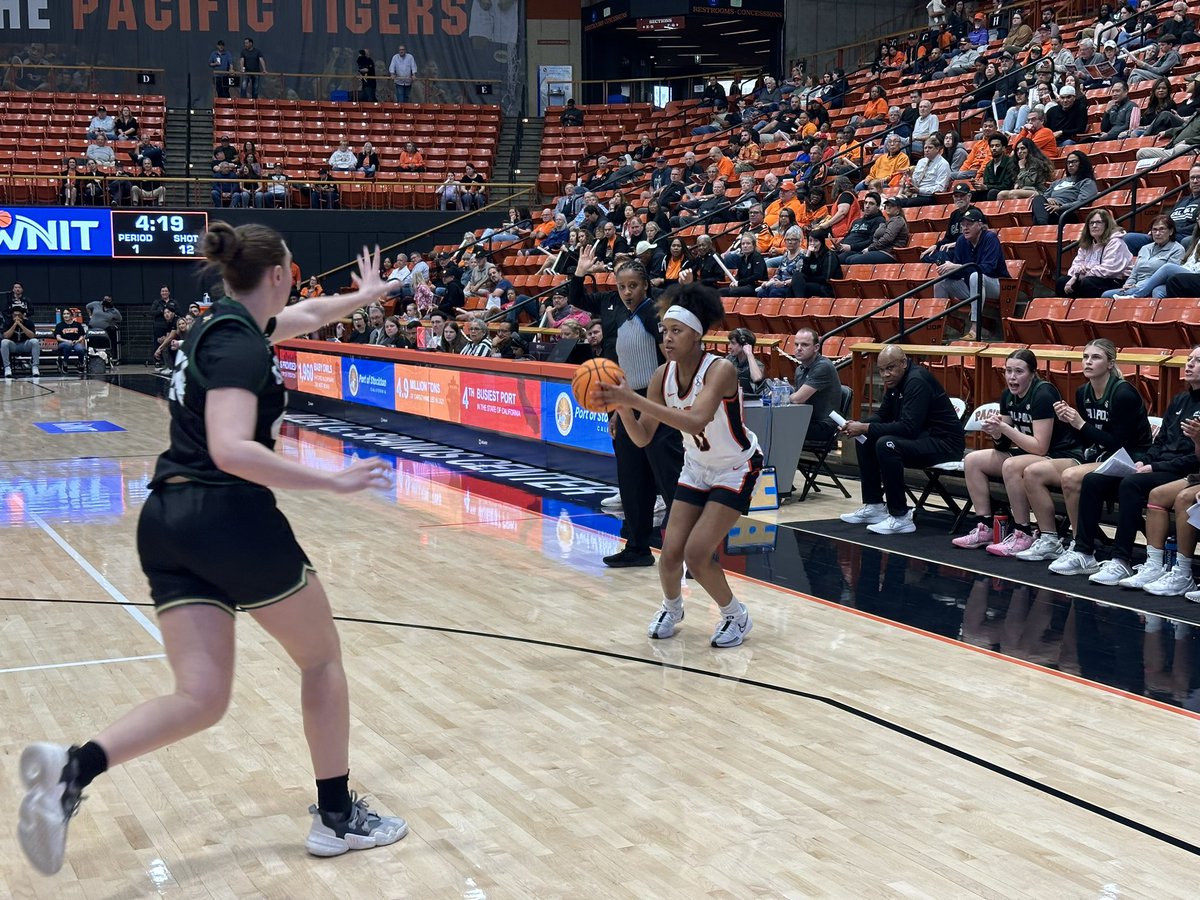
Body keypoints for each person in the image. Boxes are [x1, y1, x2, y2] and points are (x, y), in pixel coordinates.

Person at [16, 229, 408, 876]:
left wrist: (359, 298)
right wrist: (332, 480)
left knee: (201, 696)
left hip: (167, 518)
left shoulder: (222, 325)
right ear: (280, 273)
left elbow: (306, 316)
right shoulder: (237, 345)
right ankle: (338, 819)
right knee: (321, 659)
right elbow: (231, 449)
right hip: (226, 516)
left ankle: (73, 769)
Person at [595, 279, 761, 648]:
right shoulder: (661, 375)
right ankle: (673, 607)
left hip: (735, 467)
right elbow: (642, 438)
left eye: (676, 331)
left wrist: (632, 400)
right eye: (664, 331)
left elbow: (694, 421)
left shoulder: (721, 370)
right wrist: (622, 405)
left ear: (697, 336)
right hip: (697, 466)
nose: (667, 339)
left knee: (697, 553)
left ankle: (736, 614)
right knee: (669, 554)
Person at [571, 245, 684, 567]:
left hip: (657, 402)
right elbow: (576, 297)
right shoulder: (609, 306)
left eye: (633, 285)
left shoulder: (659, 308)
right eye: (622, 286)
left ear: (645, 285)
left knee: (670, 481)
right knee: (632, 481)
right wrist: (580, 273)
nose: (627, 292)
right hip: (624, 403)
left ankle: (686, 553)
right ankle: (637, 547)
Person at [1049, 345, 1200, 585]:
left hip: (1183, 471)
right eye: (1189, 359)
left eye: (1197, 360)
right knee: (1093, 480)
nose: (1189, 364)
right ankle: (1084, 551)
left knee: (1131, 484)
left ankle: (1122, 560)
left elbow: (1193, 457)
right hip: (1153, 463)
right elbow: (1159, 441)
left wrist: (1153, 466)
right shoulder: (1180, 400)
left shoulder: (1123, 393)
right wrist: (1147, 461)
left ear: (1110, 363)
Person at [1011, 340, 1154, 562]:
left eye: (1095, 357)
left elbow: (1121, 445)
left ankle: (1082, 548)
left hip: (1131, 459)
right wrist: (1068, 422)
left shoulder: (1123, 393)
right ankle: (1050, 540)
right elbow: (1086, 438)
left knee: (1071, 476)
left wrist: (1080, 424)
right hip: (1098, 456)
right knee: (1032, 472)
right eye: (1085, 357)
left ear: (1110, 363)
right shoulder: (1082, 392)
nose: (1088, 362)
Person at [951, 348, 1080, 553]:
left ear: (1032, 373)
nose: (1012, 376)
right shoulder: (1007, 396)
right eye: (1008, 371)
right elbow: (1003, 445)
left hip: (1059, 454)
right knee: (973, 459)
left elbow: (1041, 447)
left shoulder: (1043, 394)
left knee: (1011, 465)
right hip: (1032, 453)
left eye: (1019, 371)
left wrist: (1005, 429)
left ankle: (1023, 532)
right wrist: (996, 433)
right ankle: (984, 526)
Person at [838, 346, 964, 534]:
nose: (885, 374)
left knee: (886, 445)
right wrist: (857, 425)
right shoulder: (896, 382)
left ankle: (900, 516)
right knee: (864, 439)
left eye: (890, 368)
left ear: (903, 363)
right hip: (924, 438)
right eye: (881, 370)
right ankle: (875, 506)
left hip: (945, 444)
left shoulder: (917, 381)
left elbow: (908, 428)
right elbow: (882, 415)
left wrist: (865, 427)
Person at [933, 208, 1007, 340]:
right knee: (941, 282)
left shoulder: (990, 238)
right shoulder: (962, 240)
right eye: (963, 225)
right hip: (972, 285)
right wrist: (949, 270)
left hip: (995, 285)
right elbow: (959, 271)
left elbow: (988, 268)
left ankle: (975, 328)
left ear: (980, 225)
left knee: (975, 276)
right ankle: (940, 327)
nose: (965, 228)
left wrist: (958, 267)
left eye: (969, 224)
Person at [1057, 209, 1132, 298]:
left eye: (1098, 222)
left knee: (1088, 283)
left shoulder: (1116, 242)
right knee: (1062, 282)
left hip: (1116, 281)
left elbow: (1108, 270)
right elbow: (1074, 266)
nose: (1094, 226)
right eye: (1091, 223)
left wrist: (1077, 276)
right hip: (1090, 277)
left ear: (1107, 225)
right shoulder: (1087, 243)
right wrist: (1077, 272)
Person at [789, 327, 842, 445]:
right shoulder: (800, 369)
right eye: (796, 344)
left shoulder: (823, 367)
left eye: (804, 345)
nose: (798, 349)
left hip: (824, 425)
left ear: (816, 348)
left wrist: (786, 395)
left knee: (782, 428)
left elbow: (798, 399)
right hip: (807, 420)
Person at [1108, 216, 1185, 297]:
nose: (1157, 233)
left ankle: (1134, 296)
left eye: (1162, 229)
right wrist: (1128, 284)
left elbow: (1168, 277)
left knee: (1153, 292)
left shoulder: (1177, 249)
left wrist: (1138, 287)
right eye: (1154, 230)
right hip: (1135, 286)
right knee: (1106, 295)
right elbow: (1134, 273)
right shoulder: (1144, 248)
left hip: (1156, 285)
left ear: (1171, 231)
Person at [1032, 150, 1098, 226]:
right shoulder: (1058, 182)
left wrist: (1060, 207)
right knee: (1038, 198)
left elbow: (1083, 202)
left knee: (1039, 214)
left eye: (1074, 162)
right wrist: (1048, 199)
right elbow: (1044, 197)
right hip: (1050, 211)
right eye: (1068, 162)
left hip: (1067, 214)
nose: (1070, 165)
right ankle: (1042, 225)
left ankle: (1040, 227)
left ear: (1082, 163)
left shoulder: (1087, 182)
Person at [2, 299, 40, 377]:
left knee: (35, 341)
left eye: (19, 315)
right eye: (14, 315)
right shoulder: (8, 323)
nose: (16, 317)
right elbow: (6, 336)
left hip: (25, 344)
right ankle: (7, 367)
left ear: (23, 315)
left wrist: (21, 325)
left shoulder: (29, 322)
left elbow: (32, 336)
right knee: (4, 342)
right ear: (12, 315)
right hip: (13, 345)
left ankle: (35, 367)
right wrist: (15, 325)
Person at [726, 327, 764, 396]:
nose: (729, 347)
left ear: (744, 345)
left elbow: (757, 378)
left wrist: (749, 354)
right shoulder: (729, 359)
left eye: (733, 343)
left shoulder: (757, 364)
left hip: (751, 401)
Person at [54, 308, 88, 374]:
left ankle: (80, 363)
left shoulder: (77, 324)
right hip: (63, 343)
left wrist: (78, 340)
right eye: (64, 314)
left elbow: (82, 335)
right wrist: (66, 340)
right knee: (67, 345)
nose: (66, 315)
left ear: (71, 315)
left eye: (67, 314)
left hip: (75, 342)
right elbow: (58, 338)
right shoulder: (59, 325)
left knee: (80, 349)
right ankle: (65, 363)